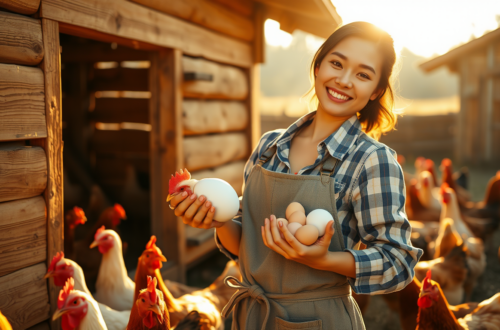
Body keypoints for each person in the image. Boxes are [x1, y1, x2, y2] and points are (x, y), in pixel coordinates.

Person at [169, 21, 422, 330]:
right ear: (318, 66)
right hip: (252, 317)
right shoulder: (269, 147)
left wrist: (324, 260)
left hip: (322, 320)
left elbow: (398, 262)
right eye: (336, 63)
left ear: (376, 91)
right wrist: (218, 220)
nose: (343, 80)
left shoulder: (372, 161)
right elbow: (247, 247)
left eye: (363, 74)